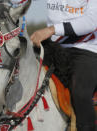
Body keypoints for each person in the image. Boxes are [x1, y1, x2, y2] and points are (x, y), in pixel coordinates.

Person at [30, 0, 97, 130]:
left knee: (80, 93)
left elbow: (91, 22)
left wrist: (51, 30)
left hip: (85, 50)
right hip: (52, 47)